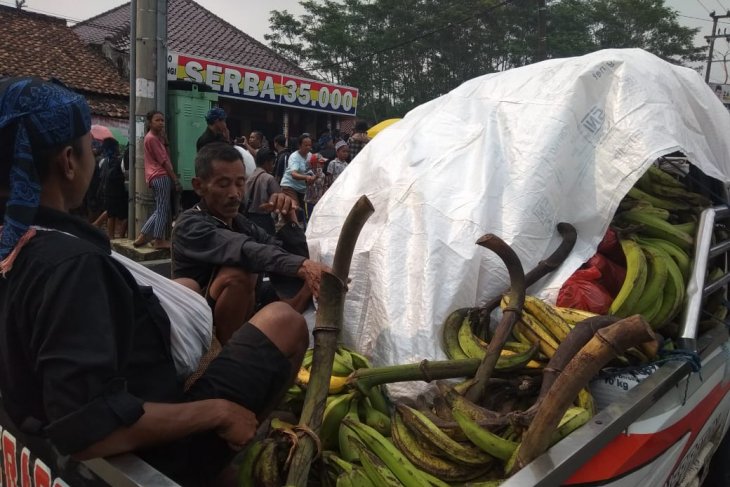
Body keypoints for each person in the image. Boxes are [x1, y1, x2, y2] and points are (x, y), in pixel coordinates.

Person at [0, 76, 308, 487]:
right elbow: (87, 429)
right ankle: (222, 451)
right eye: (90, 147)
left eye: (240, 184)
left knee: (190, 290)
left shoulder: (21, 241)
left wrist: (289, 228)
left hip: (57, 406)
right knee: (284, 323)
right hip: (151, 443)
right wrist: (215, 411)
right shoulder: (72, 266)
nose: (235, 192)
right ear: (68, 161)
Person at [172, 142, 329, 344]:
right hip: (197, 325)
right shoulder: (190, 224)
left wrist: (289, 220)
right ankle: (227, 355)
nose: (234, 193)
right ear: (199, 186)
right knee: (240, 273)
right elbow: (245, 249)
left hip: (246, 309)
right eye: (223, 184)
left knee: (289, 295)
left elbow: (274, 249)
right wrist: (303, 266)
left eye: (239, 183)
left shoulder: (240, 222)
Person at [134, 110, 181, 249]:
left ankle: (143, 235)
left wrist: (165, 142)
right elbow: (164, 161)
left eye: (162, 120)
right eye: (157, 120)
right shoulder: (152, 138)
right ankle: (159, 240)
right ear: (150, 122)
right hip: (160, 175)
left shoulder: (156, 138)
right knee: (162, 209)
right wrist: (175, 180)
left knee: (160, 208)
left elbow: (166, 155)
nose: (161, 123)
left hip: (155, 176)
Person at [244, 148, 282, 235]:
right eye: (272, 163)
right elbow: (279, 199)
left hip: (248, 218)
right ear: (266, 162)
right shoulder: (269, 178)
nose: (273, 166)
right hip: (264, 220)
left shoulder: (250, 177)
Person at [98, 137, 128, 238]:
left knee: (111, 215)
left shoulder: (103, 161)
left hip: (107, 193)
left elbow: (101, 175)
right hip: (119, 194)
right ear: (115, 148)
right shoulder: (120, 161)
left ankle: (111, 238)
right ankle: (121, 237)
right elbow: (125, 174)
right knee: (126, 216)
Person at [281, 133, 315, 212]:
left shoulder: (310, 155)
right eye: (306, 145)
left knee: (303, 211)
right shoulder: (294, 157)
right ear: (299, 145)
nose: (308, 147)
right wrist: (306, 177)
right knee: (294, 208)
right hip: (290, 186)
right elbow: (293, 174)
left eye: (310, 145)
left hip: (302, 188)